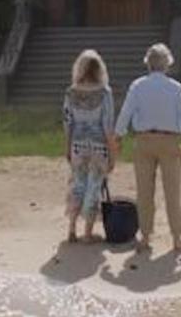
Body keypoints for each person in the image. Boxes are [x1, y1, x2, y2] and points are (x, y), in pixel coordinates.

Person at [114, 43, 181, 252]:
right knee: (172, 192)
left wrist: (118, 135)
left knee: (144, 192)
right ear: (167, 64)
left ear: (148, 64)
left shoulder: (137, 86)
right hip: (170, 141)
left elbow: (126, 113)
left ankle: (145, 235)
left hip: (143, 141)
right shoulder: (177, 88)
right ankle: (177, 237)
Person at [62, 49, 117, 243]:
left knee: (77, 185)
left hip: (77, 144)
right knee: (94, 187)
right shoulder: (105, 93)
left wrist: (67, 148)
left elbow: (68, 123)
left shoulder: (71, 92)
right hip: (99, 146)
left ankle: (71, 229)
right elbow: (108, 126)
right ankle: (87, 233)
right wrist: (113, 154)